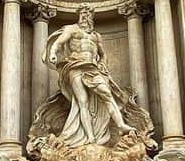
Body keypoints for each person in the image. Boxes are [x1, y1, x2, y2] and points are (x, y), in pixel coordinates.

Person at [43, 8, 131, 146]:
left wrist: (103, 64)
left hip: (92, 67)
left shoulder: (96, 36)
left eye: (88, 14)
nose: (85, 17)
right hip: (75, 67)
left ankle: (120, 125)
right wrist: (53, 53)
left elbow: (103, 54)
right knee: (82, 102)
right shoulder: (72, 30)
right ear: (79, 15)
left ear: (92, 17)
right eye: (83, 14)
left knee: (107, 94)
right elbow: (58, 43)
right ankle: (90, 137)